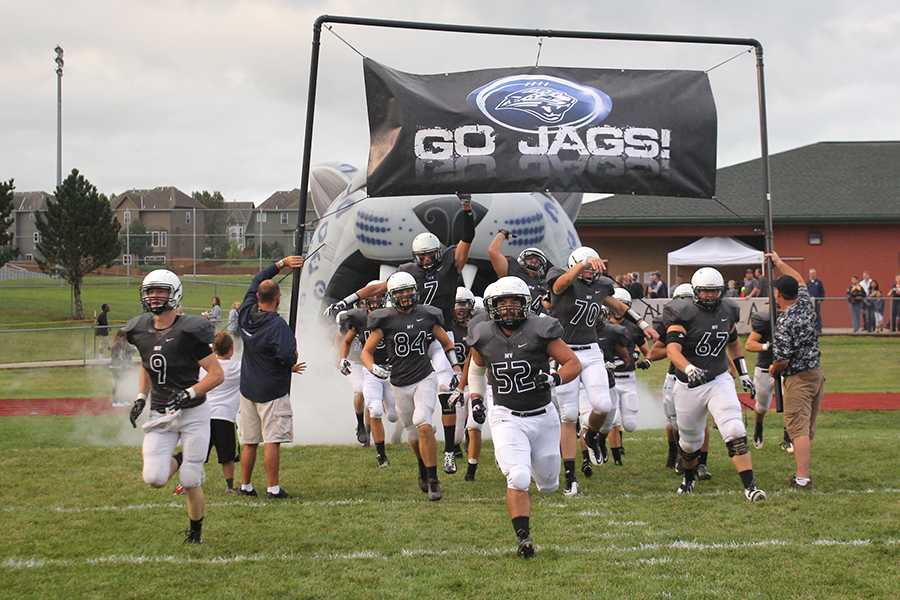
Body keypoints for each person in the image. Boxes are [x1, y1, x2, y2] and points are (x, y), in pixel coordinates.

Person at [327, 194, 477, 473]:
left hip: (439, 331)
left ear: (437, 252)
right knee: (407, 405)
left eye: (429, 255)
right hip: (414, 334)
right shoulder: (408, 272)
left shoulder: (448, 263)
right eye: (420, 256)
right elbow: (380, 288)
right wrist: (348, 299)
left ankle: (449, 451)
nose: (425, 260)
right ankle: (416, 431)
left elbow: (467, 241)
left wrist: (466, 210)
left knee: (447, 387)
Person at [467, 277, 581, 558]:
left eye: (514, 302)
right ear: (491, 306)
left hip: (543, 416)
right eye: (502, 302)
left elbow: (573, 363)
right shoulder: (482, 335)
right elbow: (476, 371)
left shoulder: (541, 329)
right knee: (518, 477)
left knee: (548, 484)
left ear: (525, 304)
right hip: (506, 415)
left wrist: (554, 378)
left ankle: (518, 458)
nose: (508, 308)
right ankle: (523, 538)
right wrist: (477, 399)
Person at [545, 246, 658, 496]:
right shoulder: (561, 277)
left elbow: (618, 306)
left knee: (603, 405)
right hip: (565, 352)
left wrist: (643, 324)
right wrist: (581, 264)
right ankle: (570, 476)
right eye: (586, 268)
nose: (590, 273)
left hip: (591, 351)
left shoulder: (601, 285)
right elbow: (559, 287)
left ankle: (593, 437)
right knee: (569, 415)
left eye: (592, 269)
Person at [125, 269, 224, 543]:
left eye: (161, 291)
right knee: (154, 478)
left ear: (174, 293)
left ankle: (195, 534)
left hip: (193, 412)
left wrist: (190, 393)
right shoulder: (140, 330)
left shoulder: (190, 331)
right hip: (160, 411)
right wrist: (141, 397)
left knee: (191, 479)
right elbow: (148, 363)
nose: (154, 296)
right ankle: (179, 459)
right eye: (150, 291)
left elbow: (217, 374)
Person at [663, 266, 766, 501]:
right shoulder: (683, 312)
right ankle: (688, 478)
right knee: (690, 443)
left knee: (734, 428)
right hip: (689, 385)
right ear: (695, 291)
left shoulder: (728, 309)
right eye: (705, 291)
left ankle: (750, 487)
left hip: (719, 378)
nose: (710, 295)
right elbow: (672, 349)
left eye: (714, 291)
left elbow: (733, 342)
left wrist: (743, 374)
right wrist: (689, 368)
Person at [361, 271, 461, 501]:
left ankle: (434, 480)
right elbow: (367, 351)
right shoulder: (383, 319)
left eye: (408, 290)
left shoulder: (427, 315)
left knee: (422, 423)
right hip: (399, 382)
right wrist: (373, 368)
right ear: (392, 295)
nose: (406, 296)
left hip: (424, 377)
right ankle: (422, 466)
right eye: (400, 292)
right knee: (412, 434)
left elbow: (446, 342)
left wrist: (455, 367)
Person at [237, 255, 306, 500]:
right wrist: (291, 364)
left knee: (249, 441)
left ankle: (245, 484)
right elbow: (288, 355)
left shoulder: (245, 314)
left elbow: (258, 279)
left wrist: (281, 264)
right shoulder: (278, 327)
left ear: (257, 298)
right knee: (272, 441)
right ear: (278, 300)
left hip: (247, 389)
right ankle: (272, 487)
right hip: (272, 392)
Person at [767, 252, 824, 490]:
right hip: (815, 373)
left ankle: (802, 478)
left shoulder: (785, 321)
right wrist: (779, 263)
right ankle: (802, 473)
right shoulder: (805, 304)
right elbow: (799, 277)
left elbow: (782, 359)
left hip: (798, 378)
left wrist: (772, 369)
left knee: (797, 428)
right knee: (805, 427)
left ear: (778, 294)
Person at [337, 284, 397, 467]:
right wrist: (342, 359)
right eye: (371, 301)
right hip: (368, 367)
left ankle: (419, 428)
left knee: (394, 415)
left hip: (391, 368)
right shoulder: (359, 318)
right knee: (372, 405)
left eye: (379, 300)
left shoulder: (394, 316)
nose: (375, 304)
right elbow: (345, 340)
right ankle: (380, 453)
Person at [201, 332, 242, 493]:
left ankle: (185, 484)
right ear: (231, 349)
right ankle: (230, 487)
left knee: (198, 455)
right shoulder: (237, 367)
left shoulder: (205, 367)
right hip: (224, 416)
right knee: (227, 456)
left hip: (204, 415)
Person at [487, 232, 551, 314]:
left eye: (538, 260)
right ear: (522, 259)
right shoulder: (513, 270)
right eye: (530, 258)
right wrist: (502, 234)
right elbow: (493, 251)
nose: (534, 261)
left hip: (535, 321)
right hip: (509, 315)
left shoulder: (545, 284)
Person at [109, 329, 133, 407]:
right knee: (117, 384)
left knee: (123, 383)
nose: (124, 339)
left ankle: (123, 400)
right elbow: (116, 357)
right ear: (119, 337)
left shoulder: (124, 345)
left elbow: (131, 350)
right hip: (116, 367)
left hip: (121, 367)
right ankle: (115, 401)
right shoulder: (116, 345)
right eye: (123, 337)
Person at [807, 269, 825, 333]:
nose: (812, 275)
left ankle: (818, 329)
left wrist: (820, 299)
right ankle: (810, 330)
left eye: (814, 273)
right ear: (809, 274)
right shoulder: (807, 283)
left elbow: (822, 292)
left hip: (817, 302)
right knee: (809, 315)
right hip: (809, 302)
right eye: (811, 274)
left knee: (817, 315)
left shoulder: (819, 282)